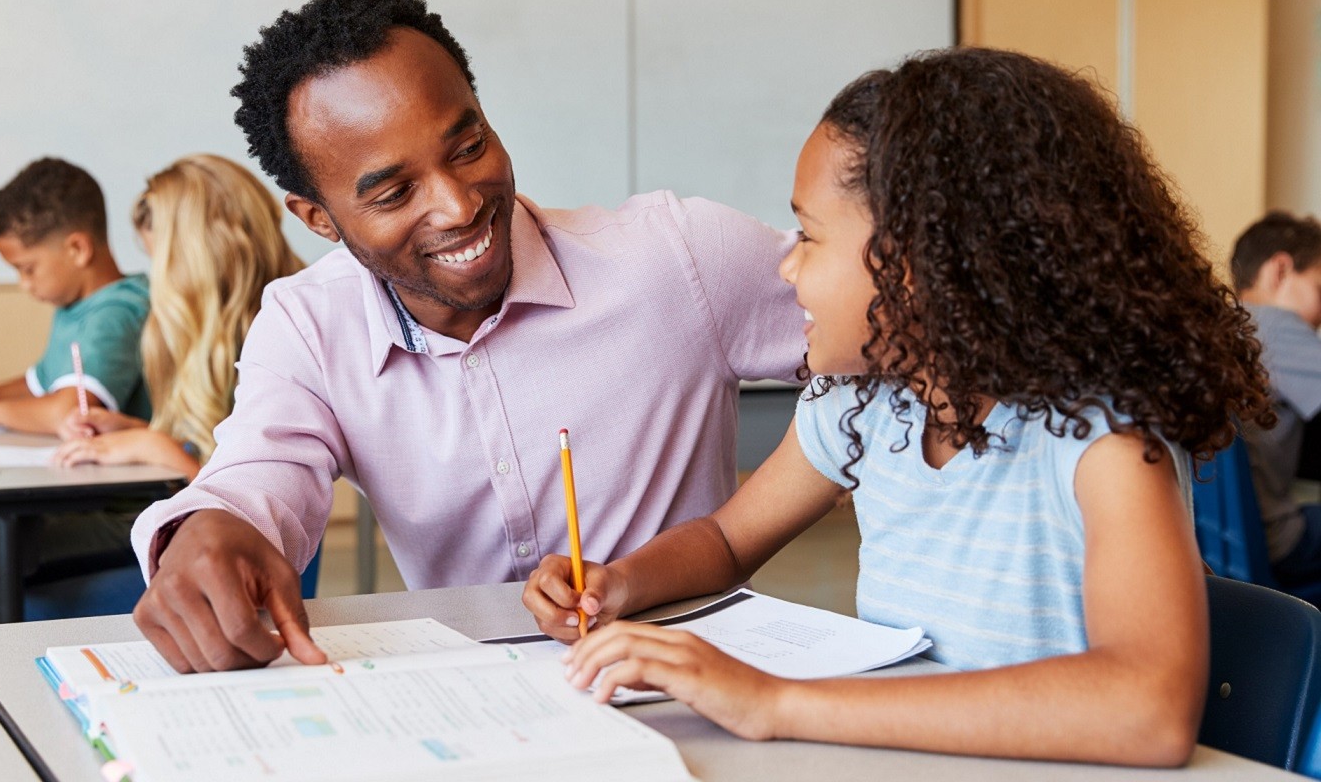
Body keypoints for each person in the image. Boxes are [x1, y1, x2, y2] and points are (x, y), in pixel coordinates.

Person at [523, 48, 1274, 766]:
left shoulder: (1103, 444)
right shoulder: (865, 405)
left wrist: (778, 703)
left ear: (916, 262)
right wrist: (622, 582)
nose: (786, 267)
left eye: (809, 238)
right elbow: (724, 540)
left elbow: (1149, 707)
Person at [128, 0, 805, 674]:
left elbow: (894, 328)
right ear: (318, 219)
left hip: (694, 692)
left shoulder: (675, 257)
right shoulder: (308, 325)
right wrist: (204, 530)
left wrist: (749, 526)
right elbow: (257, 474)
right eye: (394, 194)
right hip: (479, 711)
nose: (458, 206)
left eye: (469, 145)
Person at [52, 154, 305, 478]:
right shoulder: (217, 333)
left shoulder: (281, 338)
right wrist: (135, 431)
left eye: (165, 264)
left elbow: (248, 496)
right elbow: (210, 447)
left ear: (204, 255)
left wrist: (152, 446)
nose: (158, 281)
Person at [0, 157, 151, 433]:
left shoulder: (118, 312)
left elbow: (69, 411)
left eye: (27, 269)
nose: (24, 284)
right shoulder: (74, 304)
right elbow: (40, 386)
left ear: (77, 249)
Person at [1231, 212, 1321, 584]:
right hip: (1281, 541)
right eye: (1320, 290)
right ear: (1279, 271)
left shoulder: (1226, 323)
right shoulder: (1274, 325)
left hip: (1231, 542)